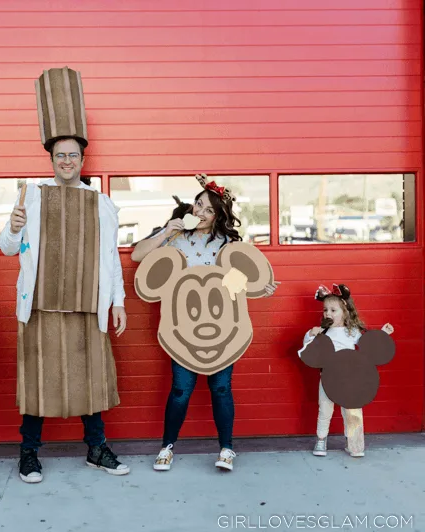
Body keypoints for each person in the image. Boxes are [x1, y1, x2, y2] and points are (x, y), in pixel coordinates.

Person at [0, 136, 129, 483]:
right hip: (40, 305)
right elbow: (7, 248)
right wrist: (12, 229)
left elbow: (111, 256)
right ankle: (28, 453)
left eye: (73, 155)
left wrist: (118, 301)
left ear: (82, 160)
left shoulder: (101, 203)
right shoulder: (32, 195)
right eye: (61, 155)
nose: (67, 160)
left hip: (88, 305)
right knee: (36, 380)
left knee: (91, 378)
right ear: (52, 159)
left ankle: (96, 448)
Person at [131, 175, 279, 472]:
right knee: (180, 390)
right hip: (183, 329)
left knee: (221, 388)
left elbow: (233, 285)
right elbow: (137, 256)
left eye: (208, 210)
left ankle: (226, 448)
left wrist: (257, 287)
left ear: (218, 216)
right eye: (198, 204)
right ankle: (167, 446)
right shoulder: (174, 237)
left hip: (222, 329)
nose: (199, 212)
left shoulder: (227, 245)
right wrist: (165, 232)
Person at [299, 284, 394, 458]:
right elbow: (308, 348)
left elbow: (369, 345)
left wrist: (383, 333)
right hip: (328, 376)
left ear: (345, 311)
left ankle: (354, 444)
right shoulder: (323, 332)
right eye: (325, 310)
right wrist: (311, 334)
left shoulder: (353, 331)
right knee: (325, 409)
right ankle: (321, 440)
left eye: (333, 310)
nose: (328, 313)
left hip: (350, 377)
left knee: (352, 409)